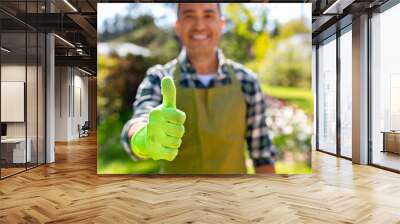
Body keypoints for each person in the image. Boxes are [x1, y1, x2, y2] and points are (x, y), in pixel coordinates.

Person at [121, 3, 276, 174]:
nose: (200, 25)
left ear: (221, 24)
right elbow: (139, 120)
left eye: (208, 15)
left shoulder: (247, 81)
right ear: (178, 26)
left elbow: (262, 154)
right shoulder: (159, 77)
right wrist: (144, 139)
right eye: (189, 15)